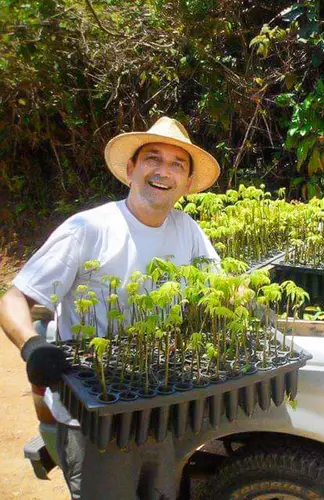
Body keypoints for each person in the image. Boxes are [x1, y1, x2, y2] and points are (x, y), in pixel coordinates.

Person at [0, 116, 221, 499]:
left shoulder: (187, 229)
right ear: (131, 168)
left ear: (186, 183)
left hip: (162, 406)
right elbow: (15, 299)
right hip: (96, 414)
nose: (163, 171)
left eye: (177, 164)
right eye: (153, 158)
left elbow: (221, 291)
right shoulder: (90, 229)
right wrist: (32, 346)